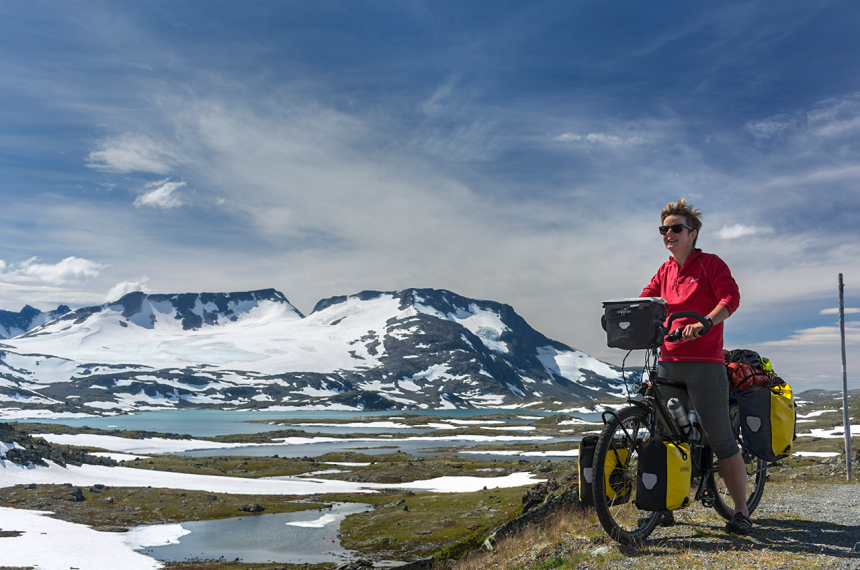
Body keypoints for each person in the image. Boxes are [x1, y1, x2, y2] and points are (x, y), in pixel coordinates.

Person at [640, 198, 752, 535]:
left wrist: (706, 322)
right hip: (667, 363)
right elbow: (646, 299)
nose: (669, 234)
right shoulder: (665, 270)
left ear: (693, 234)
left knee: (720, 438)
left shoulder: (710, 264)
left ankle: (741, 512)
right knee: (664, 437)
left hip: (704, 363)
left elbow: (730, 298)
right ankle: (663, 508)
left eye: (676, 228)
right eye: (664, 229)